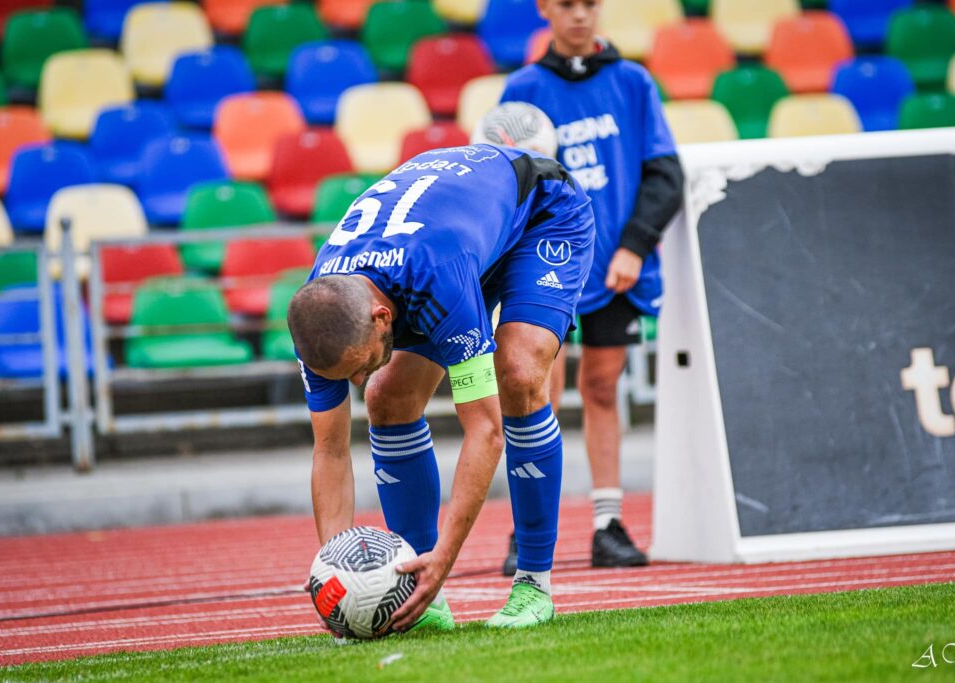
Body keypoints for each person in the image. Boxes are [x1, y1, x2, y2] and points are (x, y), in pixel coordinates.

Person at [288, 144, 594, 631]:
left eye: (361, 363)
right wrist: (334, 569)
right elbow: (329, 451)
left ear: (382, 317)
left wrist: (444, 558)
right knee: (386, 397)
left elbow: (486, 432)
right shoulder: (320, 317)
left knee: (516, 374)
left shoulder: (435, 281)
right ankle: (419, 597)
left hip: (539, 213)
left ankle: (534, 584)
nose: (357, 376)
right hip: (452, 238)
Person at [498, 0, 684, 573]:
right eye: (566, 5)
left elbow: (665, 172)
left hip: (615, 267)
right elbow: (504, 178)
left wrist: (633, 245)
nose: (579, 15)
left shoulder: (632, 80)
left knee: (603, 388)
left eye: (588, 4)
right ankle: (530, 529)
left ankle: (607, 525)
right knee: (537, 392)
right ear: (545, 10)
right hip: (546, 267)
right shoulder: (524, 88)